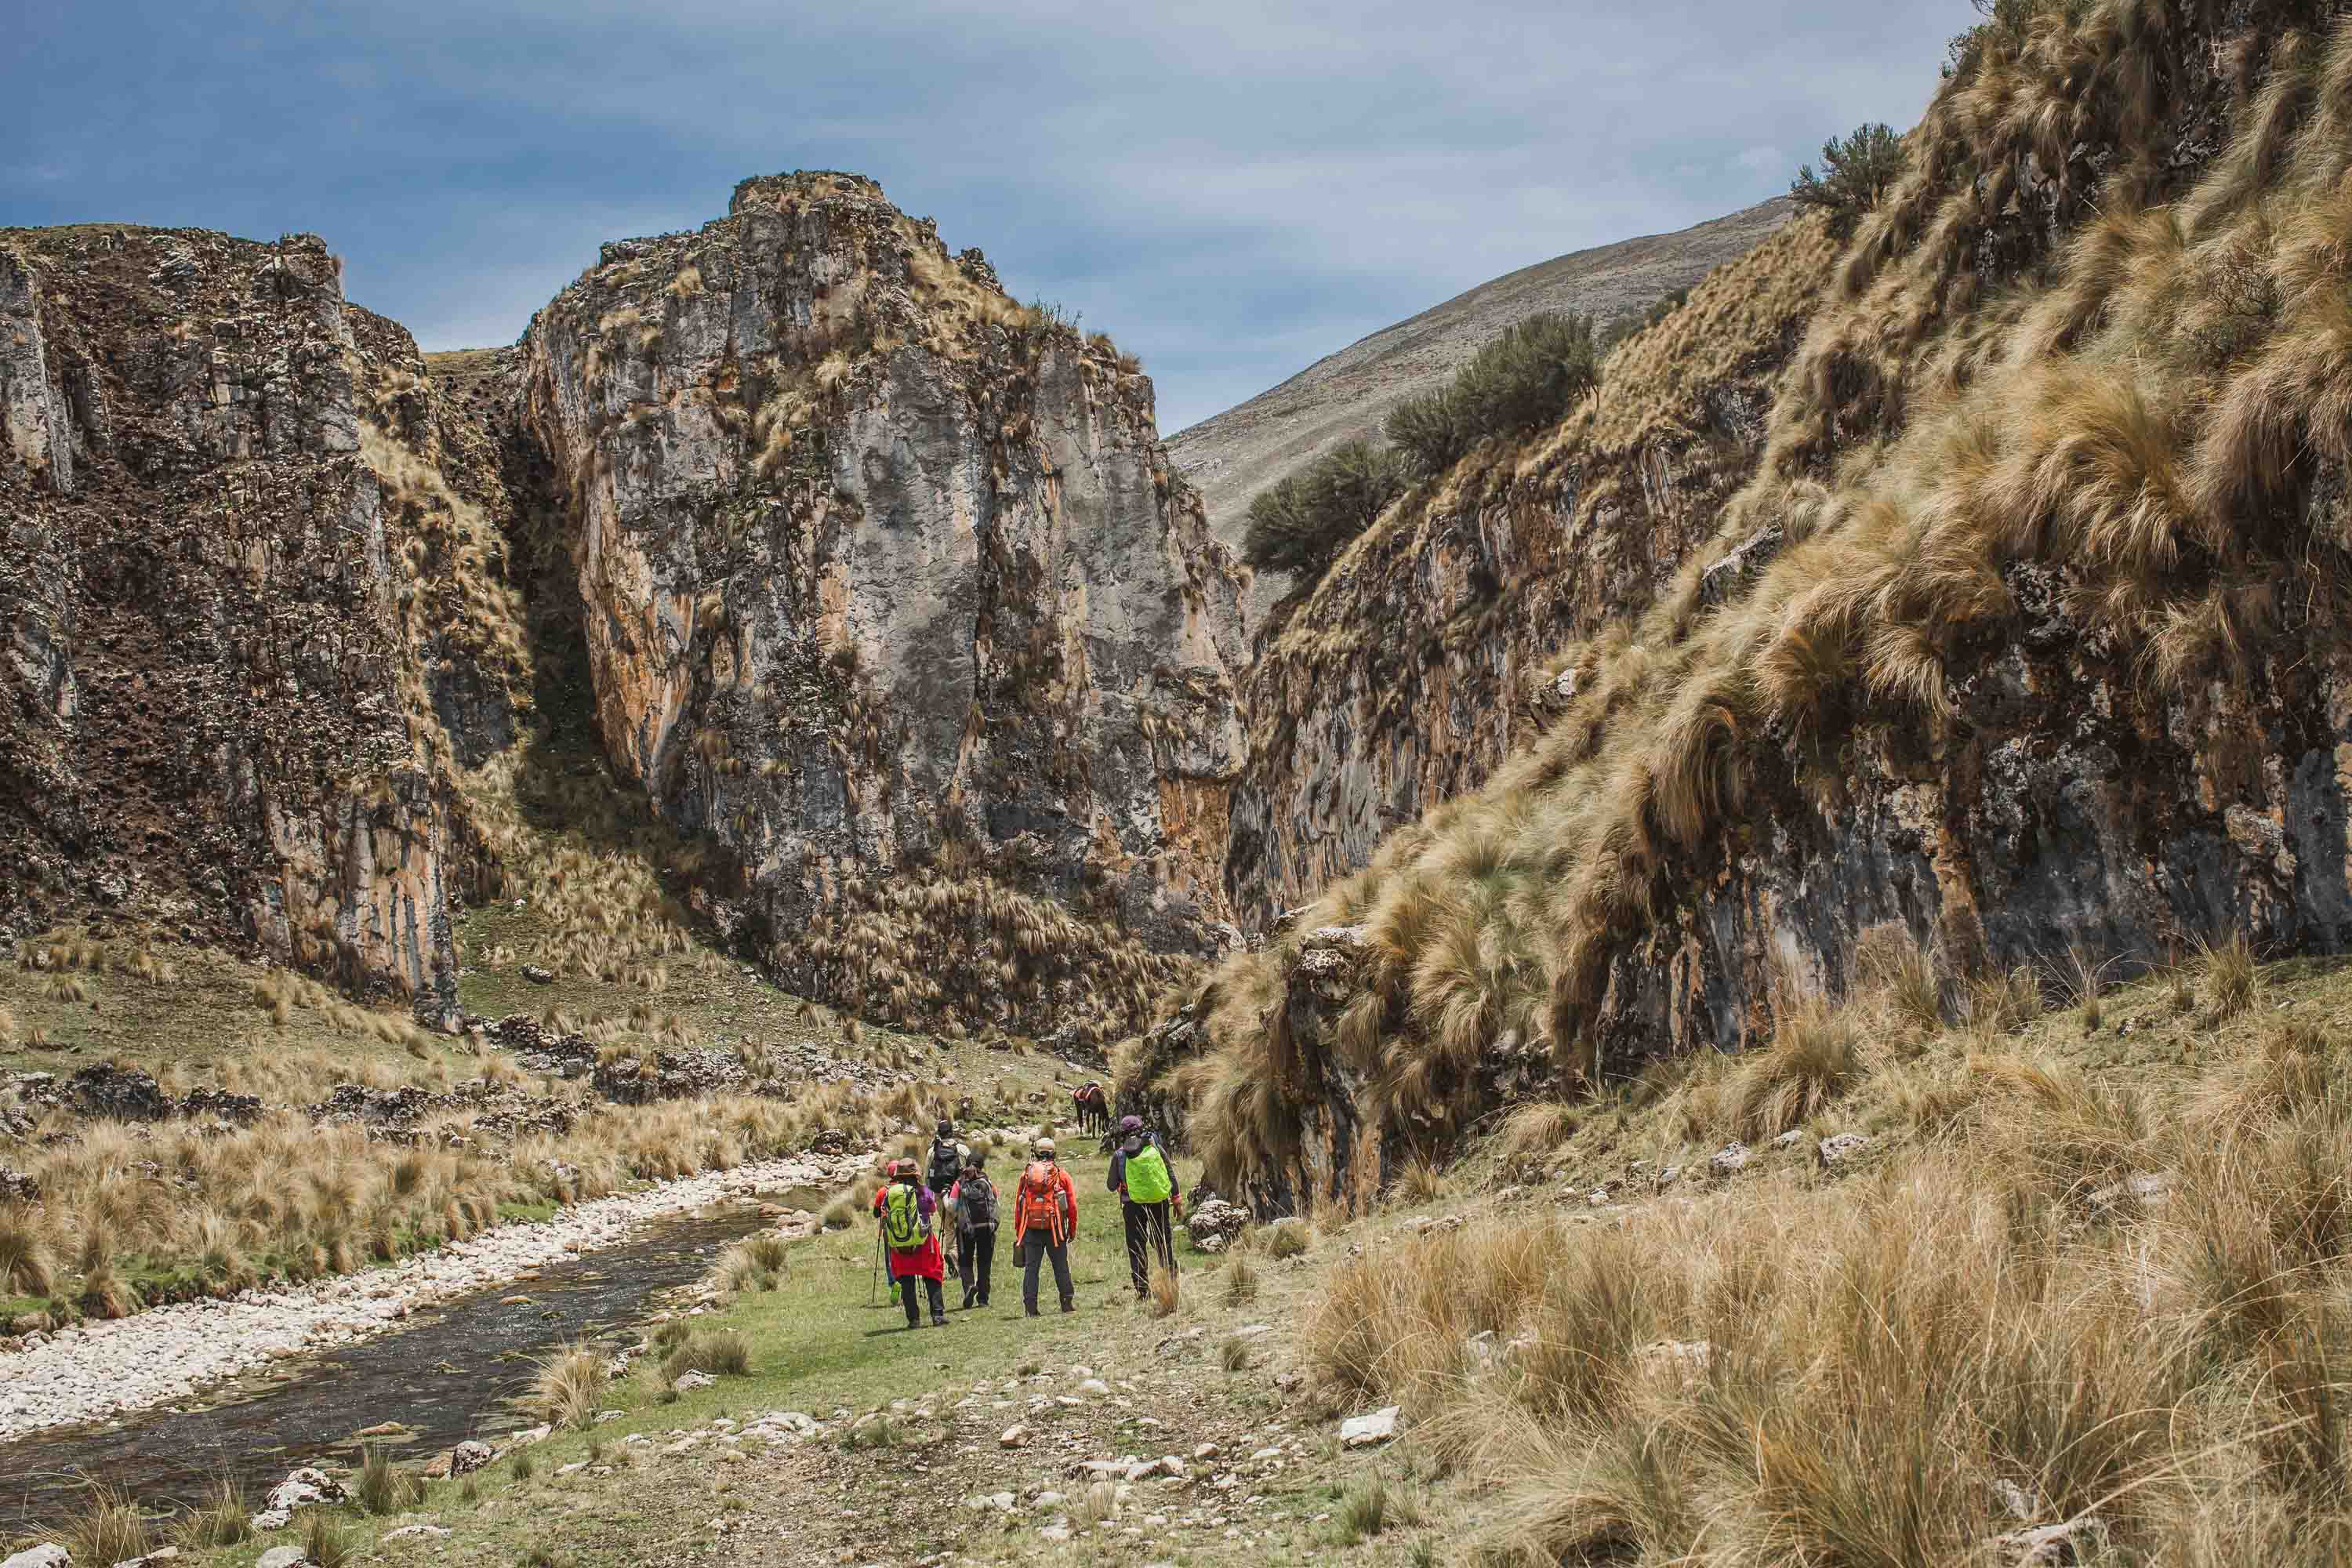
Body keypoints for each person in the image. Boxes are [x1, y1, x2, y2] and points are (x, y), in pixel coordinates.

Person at [1108, 1117, 1181, 1298]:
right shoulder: (1155, 1148)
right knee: (1162, 1242)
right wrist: (1177, 1200)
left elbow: (1111, 1185)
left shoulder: (1120, 1155)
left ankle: (1142, 1291)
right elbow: (1169, 1173)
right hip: (1159, 1201)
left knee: (1136, 1246)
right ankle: (1171, 1282)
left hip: (1132, 1205)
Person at [872, 1158, 949, 1329]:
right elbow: (932, 1209)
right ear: (916, 1175)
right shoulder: (924, 1191)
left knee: (906, 1281)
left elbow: (883, 1213)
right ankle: (937, 1315)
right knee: (933, 1275)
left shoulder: (889, 1193)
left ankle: (914, 1320)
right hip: (923, 1241)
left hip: (900, 1245)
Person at [1014, 1137, 1079, 1316]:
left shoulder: (1026, 1175)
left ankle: (1030, 1308)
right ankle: (1066, 1303)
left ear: (1035, 1154)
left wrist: (1019, 1230)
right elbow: (1072, 1206)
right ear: (1054, 1154)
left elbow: (1019, 1204)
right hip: (1056, 1229)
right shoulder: (1062, 1175)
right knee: (1061, 1266)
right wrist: (1071, 1229)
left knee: (1031, 1268)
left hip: (1031, 1229)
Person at [948, 1150, 999, 1309]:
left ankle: (969, 1286)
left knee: (965, 1262)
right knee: (984, 1263)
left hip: (966, 1229)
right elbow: (995, 1201)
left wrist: (944, 1196)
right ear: (982, 1165)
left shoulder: (959, 1183)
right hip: (987, 1228)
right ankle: (983, 1299)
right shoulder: (987, 1181)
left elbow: (952, 1207)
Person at [926, 1120, 966, 1276]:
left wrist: (932, 1195)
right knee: (963, 1226)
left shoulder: (932, 1151)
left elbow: (926, 1176)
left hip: (940, 1193)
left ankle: (952, 1256)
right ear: (952, 1131)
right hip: (959, 1193)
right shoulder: (961, 1149)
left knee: (949, 1228)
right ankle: (957, 1256)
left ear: (939, 1133)